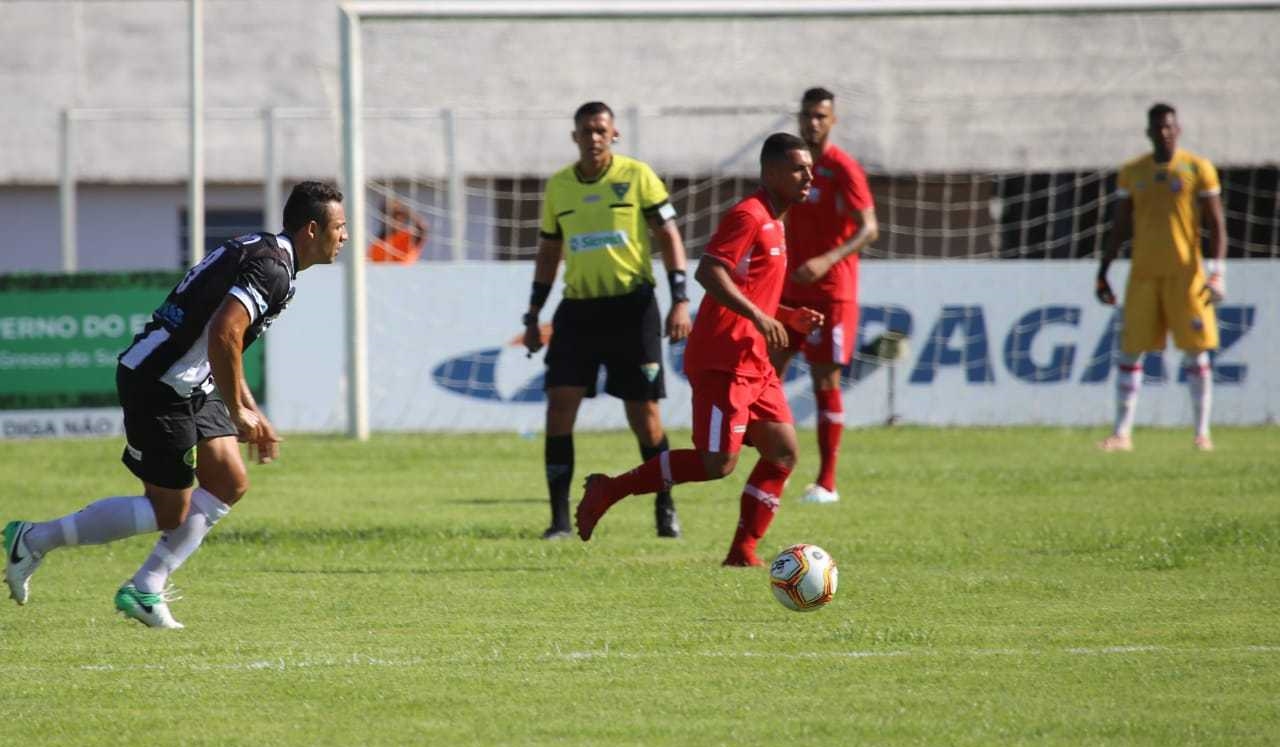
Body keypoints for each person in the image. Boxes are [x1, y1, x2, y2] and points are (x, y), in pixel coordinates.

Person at [3, 181, 348, 628]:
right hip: (157, 381)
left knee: (228, 480)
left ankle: (146, 587)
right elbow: (224, 332)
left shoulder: (269, 255)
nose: (345, 237)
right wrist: (240, 409)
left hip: (190, 382)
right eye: (340, 227)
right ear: (311, 229)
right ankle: (33, 539)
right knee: (169, 510)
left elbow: (225, 342)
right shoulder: (273, 270)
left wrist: (249, 408)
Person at [575, 133, 824, 567]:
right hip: (722, 358)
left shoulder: (778, 221)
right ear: (770, 173)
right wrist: (763, 319)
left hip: (754, 360)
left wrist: (784, 315)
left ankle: (742, 551)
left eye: (809, 167)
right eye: (798, 168)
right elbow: (709, 272)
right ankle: (609, 489)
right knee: (717, 464)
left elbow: (751, 290)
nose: (809, 175)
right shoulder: (748, 215)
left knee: (783, 451)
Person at [523, 101, 693, 541]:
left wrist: (680, 299)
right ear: (574, 136)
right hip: (578, 310)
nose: (594, 137)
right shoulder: (560, 187)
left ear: (614, 134)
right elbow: (548, 251)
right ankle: (559, 521)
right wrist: (534, 311)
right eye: (586, 130)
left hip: (632, 310)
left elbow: (668, 235)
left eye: (601, 129)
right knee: (559, 408)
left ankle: (665, 505)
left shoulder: (638, 176)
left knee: (646, 418)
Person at [1096, 103, 1227, 452]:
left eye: (1169, 127)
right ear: (1149, 132)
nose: (1164, 132)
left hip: (1187, 274)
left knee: (1195, 353)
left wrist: (1217, 273)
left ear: (1177, 129)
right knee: (1130, 352)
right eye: (1158, 128)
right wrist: (1103, 270)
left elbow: (1216, 224)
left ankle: (1202, 433)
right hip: (1143, 274)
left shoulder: (1197, 168)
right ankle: (1122, 434)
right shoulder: (1132, 172)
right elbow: (1120, 224)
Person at [771, 87, 879, 504]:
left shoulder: (842, 169)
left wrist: (826, 260)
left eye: (821, 116)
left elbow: (869, 228)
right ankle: (774, 468)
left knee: (824, 382)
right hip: (789, 291)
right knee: (766, 375)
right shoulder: (791, 169)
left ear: (832, 120)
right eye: (807, 115)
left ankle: (827, 482)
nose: (812, 122)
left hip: (832, 293)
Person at [369, 198, 427, 263]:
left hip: (404, 272)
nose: (391, 218)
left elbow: (422, 229)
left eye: (395, 215)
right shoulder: (377, 243)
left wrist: (406, 210)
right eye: (387, 214)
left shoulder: (408, 237)